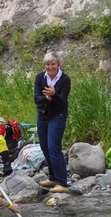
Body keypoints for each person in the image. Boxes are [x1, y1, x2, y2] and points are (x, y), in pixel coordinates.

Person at [34, 51, 71, 194]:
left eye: (53, 64)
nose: (50, 67)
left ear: (58, 65)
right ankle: (53, 177)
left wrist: (54, 95)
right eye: (48, 64)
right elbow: (37, 98)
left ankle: (63, 182)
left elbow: (63, 102)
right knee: (44, 147)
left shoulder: (65, 80)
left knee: (54, 147)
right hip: (42, 115)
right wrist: (48, 98)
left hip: (58, 115)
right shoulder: (40, 77)